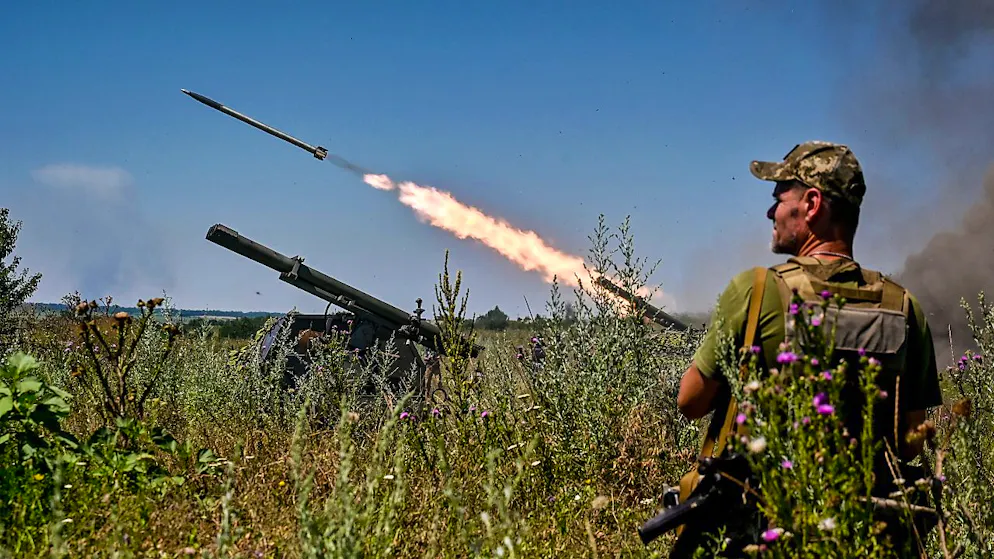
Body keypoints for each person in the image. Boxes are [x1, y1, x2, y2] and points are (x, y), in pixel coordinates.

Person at [673, 140, 944, 556]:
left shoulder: (757, 290)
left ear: (812, 204)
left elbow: (690, 401)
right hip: (866, 534)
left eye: (779, 197)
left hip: (765, 527)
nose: (771, 212)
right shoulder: (903, 307)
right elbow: (909, 442)